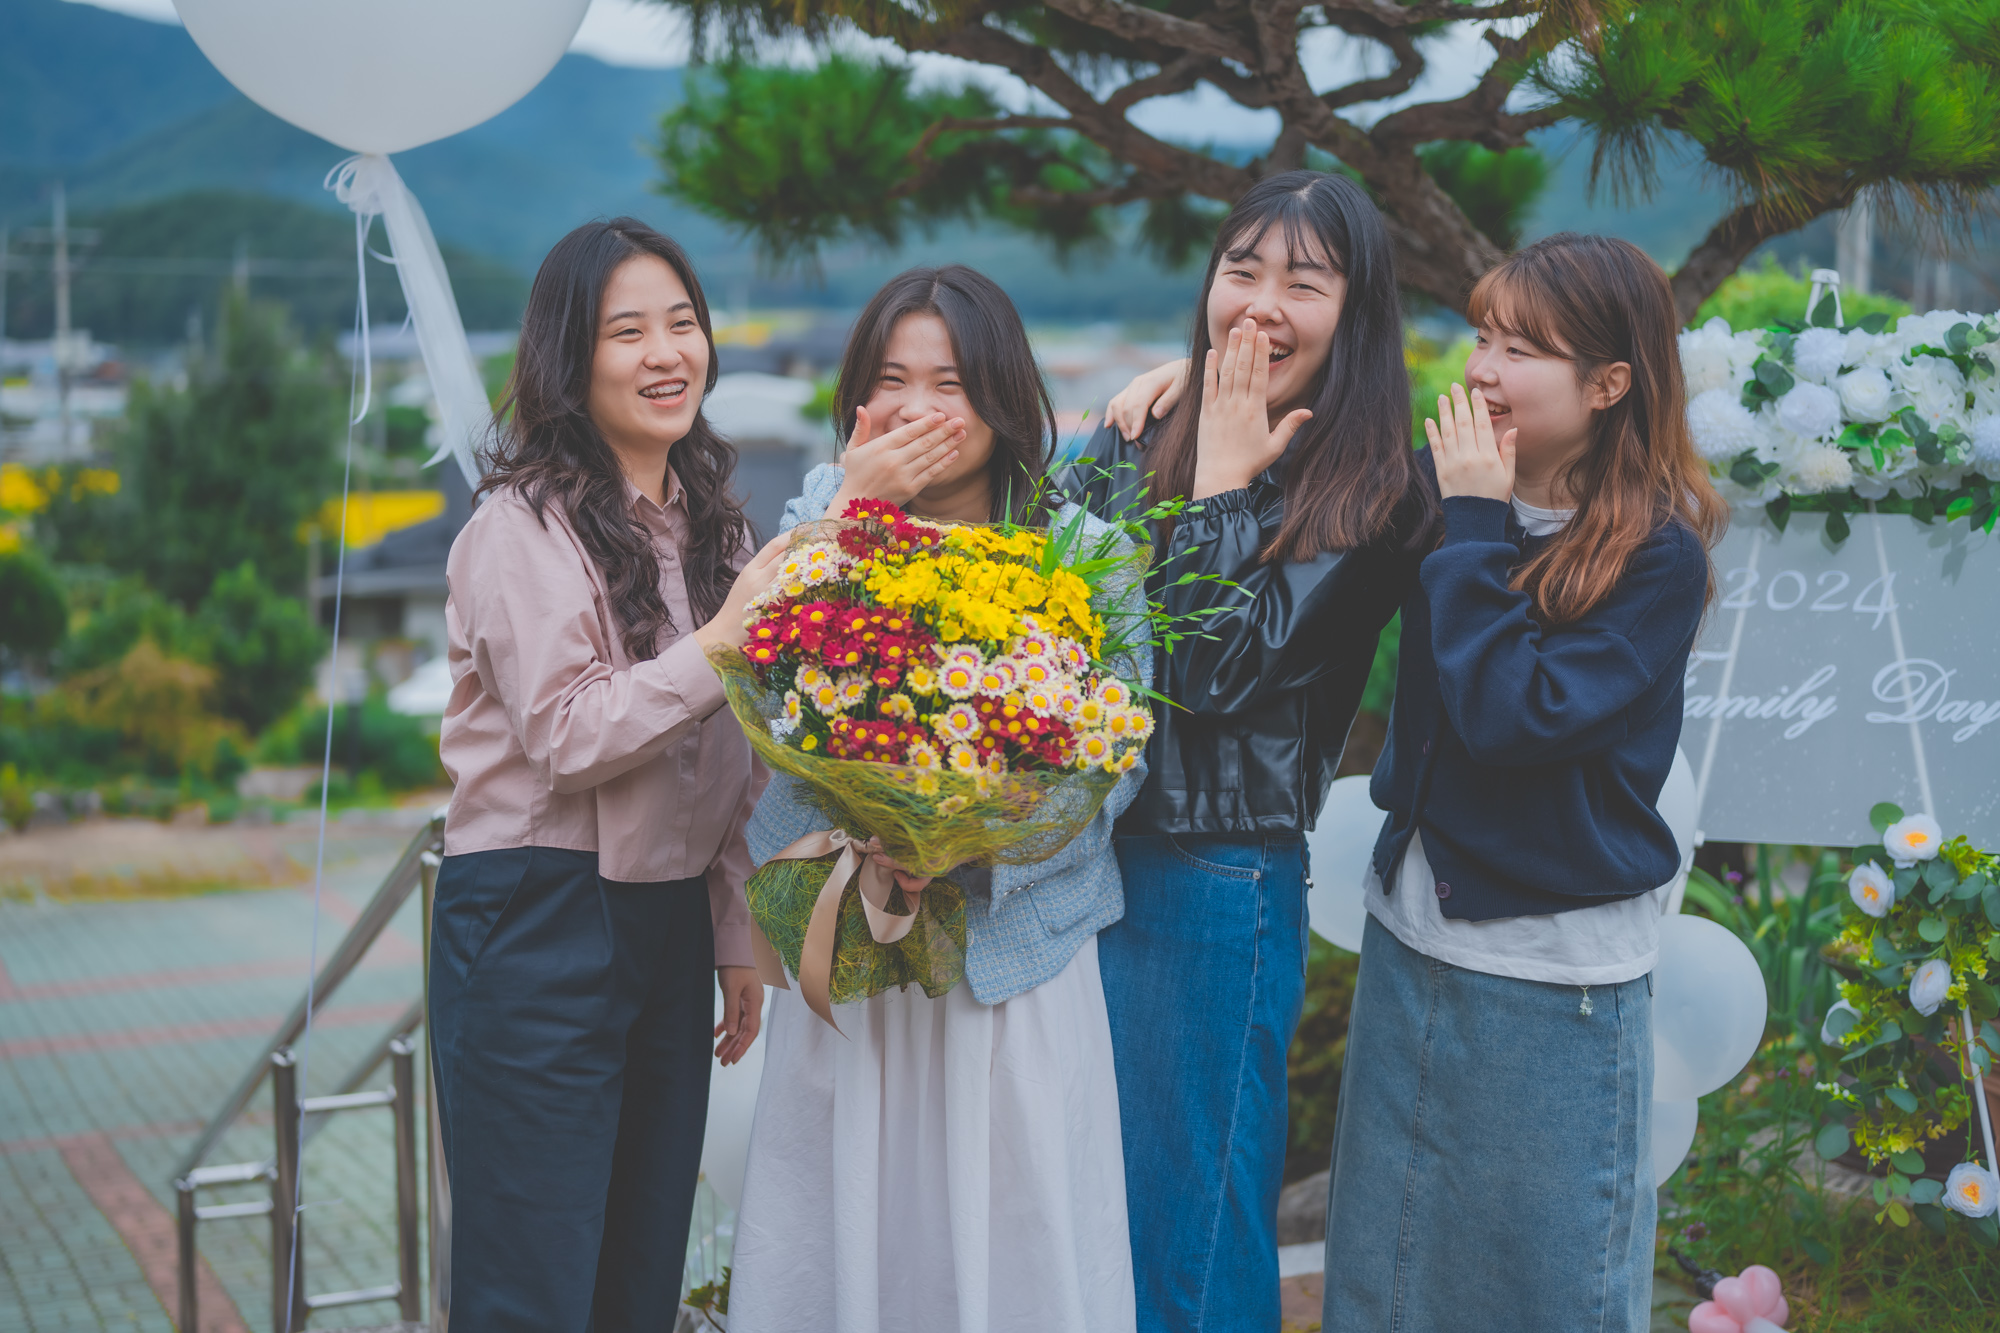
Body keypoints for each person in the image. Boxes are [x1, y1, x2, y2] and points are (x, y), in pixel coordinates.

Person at [728, 264, 1146, 1333]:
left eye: (950, 383)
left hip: (1015, 968)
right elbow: (757, 679)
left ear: (1003, 398)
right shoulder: (819, 524)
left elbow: (1115, 767)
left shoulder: (1085, 553)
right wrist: (853, 507)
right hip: (852, 952)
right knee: (846, 1227)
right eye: (892, 380)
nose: (918, 409)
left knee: (1015, 1230)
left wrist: (971, 844)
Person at [1322, 233, 1724, 1332]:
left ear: (1608, 384)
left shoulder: (1656, 558)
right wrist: (1182, 391)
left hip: (1554, 976)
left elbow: (1513, 719)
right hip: (1411, 937)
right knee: (1385, 1272)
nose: (1482, 369)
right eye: (1483, 337)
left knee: (1545, 1288)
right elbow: (1314, 504)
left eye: (1522, 349)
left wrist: (1473, 520)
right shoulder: (1443, 490)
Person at [1065, 170, 1434, 1331]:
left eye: (1303, 282)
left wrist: (1222, 482)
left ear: (1355, 313)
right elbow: (1043, 611)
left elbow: (1213, 672)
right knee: (1088, 1215)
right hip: (1077, 862)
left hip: (1212, 878)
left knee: (1189, 1225)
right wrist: (1151, 436)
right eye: (1242, 269)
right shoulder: (1144, 431)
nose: (1262, 303)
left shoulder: (1376, 488)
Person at [427, 217, 787, 1332]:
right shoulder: (517, 528)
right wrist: (726, 637)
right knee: (532, 1287)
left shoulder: (714, 531)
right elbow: (569, 734)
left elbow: (737, 752)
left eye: (682, 322)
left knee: (639, 1274)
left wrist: (735, 931)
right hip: (535, 919)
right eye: (627, 331)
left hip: (666, 923)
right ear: (568, 358)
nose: (665, 353)